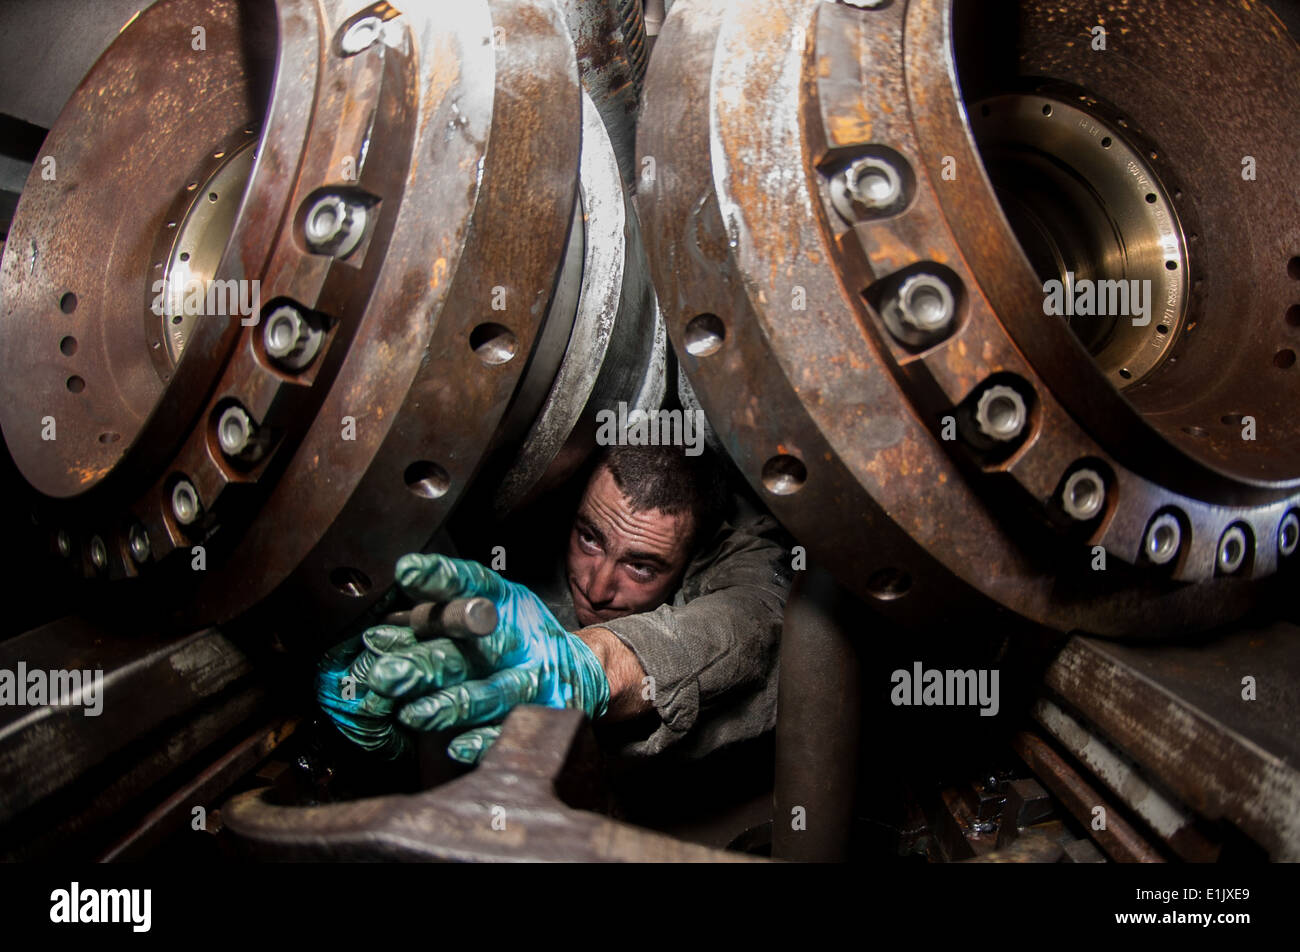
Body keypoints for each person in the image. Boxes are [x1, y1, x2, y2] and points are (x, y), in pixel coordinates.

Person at [317, 444, 793, 766]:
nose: (598, 586)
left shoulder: (744, 552)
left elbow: (750, 621)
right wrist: (397, 719)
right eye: (589, 537)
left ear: (694, 558)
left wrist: (591, 668)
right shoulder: (524, 525)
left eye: (641, 567)